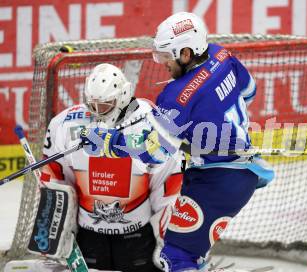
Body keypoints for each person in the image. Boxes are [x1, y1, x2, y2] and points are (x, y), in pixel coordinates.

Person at [80, 12, 274, 272]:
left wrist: (110, 143)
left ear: (185, 53)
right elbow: (249, 92)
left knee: (175, 257)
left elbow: (155, 153)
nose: (163, 64)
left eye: (166, 57)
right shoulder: (221, 55)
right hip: (232, 171)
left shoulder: (176, 96)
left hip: (218, 178)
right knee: (188, 252)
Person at [41, 63, 183, 271]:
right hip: (88, 236)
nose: (97, 111)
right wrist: (58, 229)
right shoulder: (63, 124)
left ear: (122, 96)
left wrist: (168, 242)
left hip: (137, 239)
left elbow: (167, 185)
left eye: (105, 104)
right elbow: (57, 180)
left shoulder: (151, 121)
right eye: (92, 104)